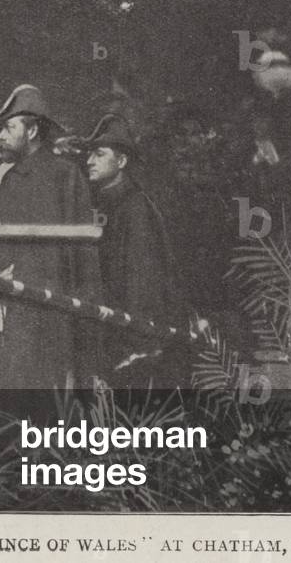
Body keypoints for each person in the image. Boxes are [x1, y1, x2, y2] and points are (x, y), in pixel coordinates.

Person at [0, 84, 102, 390]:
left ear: (31, 131)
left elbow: (80, 256)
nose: (0, 136)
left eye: (8, 127)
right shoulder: (0, 177)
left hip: (46, 317)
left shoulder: (64, 176)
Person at [82, 113, 185, 387]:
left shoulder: (134, 208)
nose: (89, 161)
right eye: (89, 154)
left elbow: (142, 280)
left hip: (128, 336)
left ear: (122, 161)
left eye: (99, 154)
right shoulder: (105, 201)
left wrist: (135, 342)